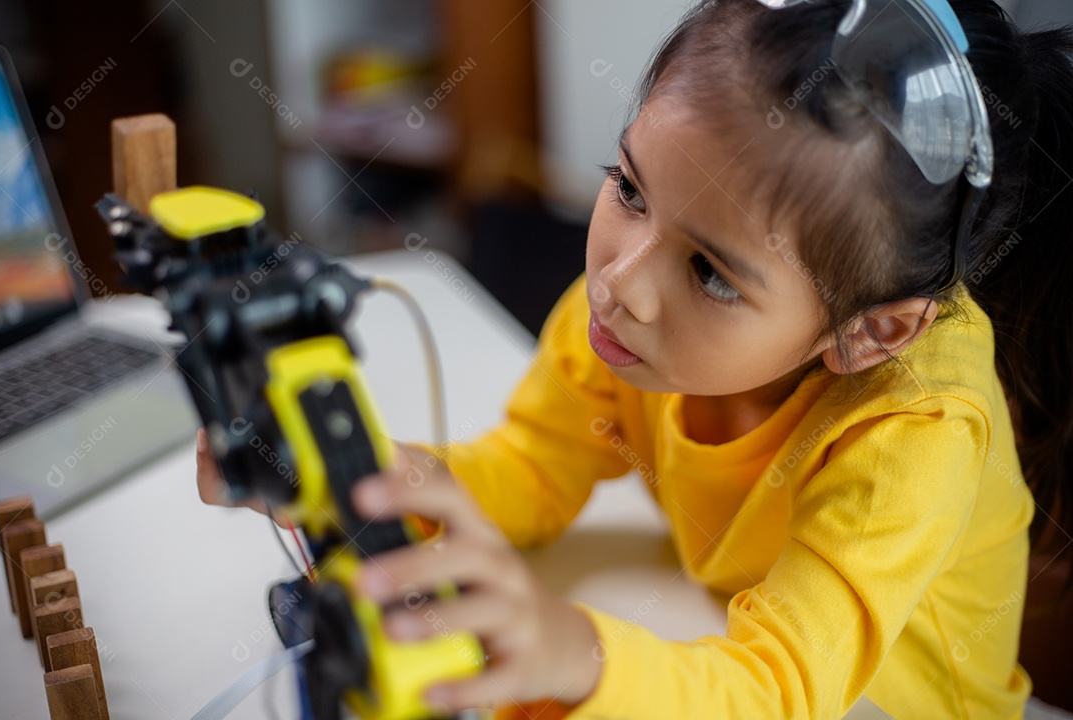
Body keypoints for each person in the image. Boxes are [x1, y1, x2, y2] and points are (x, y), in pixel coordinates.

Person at [198, 0, 1073, 717]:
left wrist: (577, 653)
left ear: (870, 334)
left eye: (712, 274)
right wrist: (367, 479)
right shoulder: (617, 322)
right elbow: (532, 469)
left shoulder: (918, 437)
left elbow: (777, 687)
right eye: (629, 189)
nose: (618, 283)